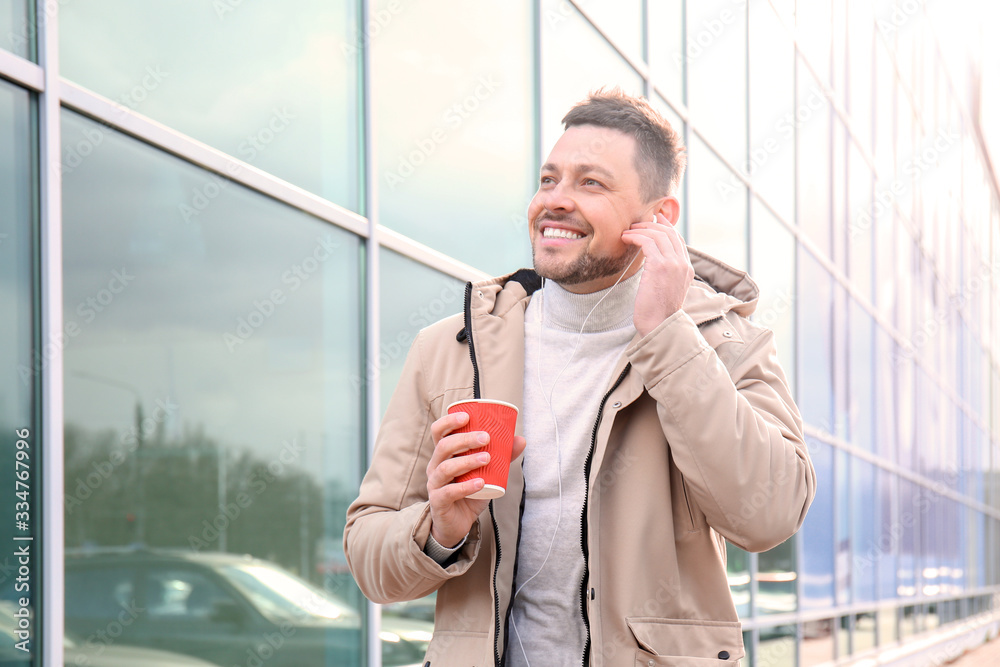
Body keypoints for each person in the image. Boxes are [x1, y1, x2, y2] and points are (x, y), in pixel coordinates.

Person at [345, 88, 816, 666]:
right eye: (549, 180)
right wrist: (439, 529)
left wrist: (667, 336)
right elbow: (370, 559)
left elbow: (768, 513)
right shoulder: (449, 350)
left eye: (591, 183)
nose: (556, 201)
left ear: (659, 217)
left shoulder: (726, 345)